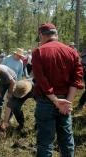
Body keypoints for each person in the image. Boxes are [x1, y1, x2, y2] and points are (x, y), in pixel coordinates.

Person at [32, 23, 83, 157]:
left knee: (45, 143)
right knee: (66, 140)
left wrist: (56, 101)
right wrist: (67, 102)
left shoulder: (38, 51)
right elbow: (77, 78)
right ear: (56, 35)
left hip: (46, 102)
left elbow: (41, 80)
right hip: (66, 102)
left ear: (42, 35)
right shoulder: (72, 52)